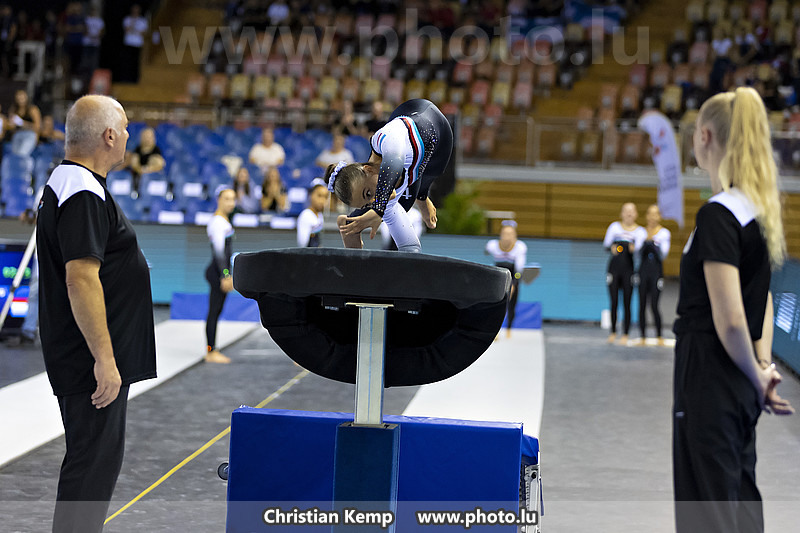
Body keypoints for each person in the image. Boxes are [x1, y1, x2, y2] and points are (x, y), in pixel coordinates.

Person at [673, 86, 794, 533]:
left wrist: (755, 373)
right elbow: (761, 299)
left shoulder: (718, 215)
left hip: (710, 377)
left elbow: (730, 318)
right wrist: (760, 367)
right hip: (739, 380)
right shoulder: (756, 212)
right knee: (740, 503)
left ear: (705, 136)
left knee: (708, 514)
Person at [36, 95, 156, 533]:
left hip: (87, 354)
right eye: (123, 128)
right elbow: (81, 278)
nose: (127, 135)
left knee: (93, 465)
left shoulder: (75, 184)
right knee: (91, 469)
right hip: (89, 360)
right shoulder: (81, 190)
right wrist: (104, 359)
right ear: (108, 135)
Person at [326, 98, 453, 253]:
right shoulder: (380, 189)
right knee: (401, 207)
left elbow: (394, 162)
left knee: (429, 174)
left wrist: (378, 210)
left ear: (369, 169)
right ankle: (350, 223)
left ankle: (421, 197)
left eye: (368, 193)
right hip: (413, 161)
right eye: (367, 205)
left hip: (428, 119)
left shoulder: (386, 138)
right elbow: (409, 245)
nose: (373, 200)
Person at [603, 202, 646, 345]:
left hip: (629, 269)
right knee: (614, 301)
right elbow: (606, 244)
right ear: (621, 213)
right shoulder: (614, 227)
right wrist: (613, 247)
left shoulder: (640, 231)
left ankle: (626, 333)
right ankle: (613, 332)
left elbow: (639, 249)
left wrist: (632, 248)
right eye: (626, 211)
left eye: (631, 211)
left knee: (627, 301)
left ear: (636, 214)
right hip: (614, 269)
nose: (629, 214)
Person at [205, 187, 236, 364]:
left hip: (220, 271)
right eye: (227, 199)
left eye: (233, 199)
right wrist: (225, 275)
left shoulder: (223, 220)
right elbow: (219, 253)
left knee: (216, 312)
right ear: (219, 200)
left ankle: (212, 348)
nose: (231, 203)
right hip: (217, 272)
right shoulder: (217, 222)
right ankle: (210, 350)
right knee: (214, 312)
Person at [635, 204, 671, 346]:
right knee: (642, 304)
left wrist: (653, 243)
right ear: (646, 216)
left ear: (659, 216)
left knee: (654, 304)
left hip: (656, 272)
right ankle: (642, 336)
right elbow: (637, 252)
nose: (652, 217)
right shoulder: (640, 232)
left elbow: (664, 254)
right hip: (643, 271)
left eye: (655, 214)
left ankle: (659, 335)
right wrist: (646, 241)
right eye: (650, 214)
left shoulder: (664, 233)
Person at [485, 220, 527, 338]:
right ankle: (495, 330)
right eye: (504, 234)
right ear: (500, 235)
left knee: (511, 304)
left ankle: (509, 328)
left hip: (514, 277)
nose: (507, 237)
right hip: (498, 277)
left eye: (510, 234)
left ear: (515, 236)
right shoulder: (493, 245)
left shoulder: (519, 247)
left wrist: (514, 284)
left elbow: (519, 271)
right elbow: (487, 253)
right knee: (495, 305)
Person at [127, 127, 164, 192]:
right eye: (145, 136)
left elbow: (159, 164)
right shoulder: (137, 150)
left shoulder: (156, 150)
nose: (147, 139)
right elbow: (134, 163)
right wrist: (140, 170)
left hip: (152, 178)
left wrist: (147, 170)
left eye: (149, 137)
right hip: (138, 177)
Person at [7, 88, 41, 156]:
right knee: (15, 155)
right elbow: (11, 127)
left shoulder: (32, 109)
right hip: (17, 134)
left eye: (22, 96)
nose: (20, 98)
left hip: (30, 134)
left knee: (22, 154)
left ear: (26, 97)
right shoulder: (13, 109)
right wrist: (11, 124)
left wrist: (22, 123)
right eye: (18, 96)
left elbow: (38, 127)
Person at [120, 4, 147, 83]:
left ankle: (135, 80)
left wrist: (134, 30)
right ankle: (125, 79)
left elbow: (143, 33)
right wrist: (134, 24)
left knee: (136, 63)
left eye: (137, 9)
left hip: (137, 44)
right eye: (134, 9)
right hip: (128, 43)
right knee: (127, 62)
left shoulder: (143, 21)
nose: (135, 11)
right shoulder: (127, 19)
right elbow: (127, 29)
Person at [296, 183, 328, 247]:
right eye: (319, 196)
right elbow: (302, 244)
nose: (322, 201)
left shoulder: (320, 215)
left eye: (325, 197)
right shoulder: (306, 215)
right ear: (311, 195)